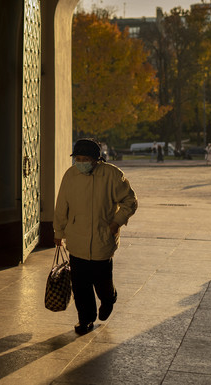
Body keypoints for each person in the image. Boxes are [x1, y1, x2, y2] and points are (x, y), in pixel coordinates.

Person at [53, 138, 138, 335]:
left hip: (102, 239)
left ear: (96, 160)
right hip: (77, 240)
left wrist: (116, 222)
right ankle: (85, 319)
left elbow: (130, 201)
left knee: (102, 282)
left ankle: (109, 298)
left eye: (85, 159)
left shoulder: (112, 175)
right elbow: (61, 206)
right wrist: (59, 232)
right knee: (81, 286)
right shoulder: (70, 175)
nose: (80, 163)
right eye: (78, 158)